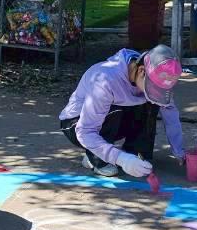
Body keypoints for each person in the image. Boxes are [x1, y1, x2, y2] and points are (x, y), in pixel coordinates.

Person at [59, 44, 186, 178]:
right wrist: (121, 159)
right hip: (76, 124)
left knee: (152, 102)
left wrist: (179, 151)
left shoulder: (151, 73)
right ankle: (97, 158)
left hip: (110, 120)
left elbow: (170, 112)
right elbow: (85, 132)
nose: (157, 93)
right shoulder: (105, 80)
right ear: (142, 71)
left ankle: (136, 155)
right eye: (154, 88)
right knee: (115, 109)